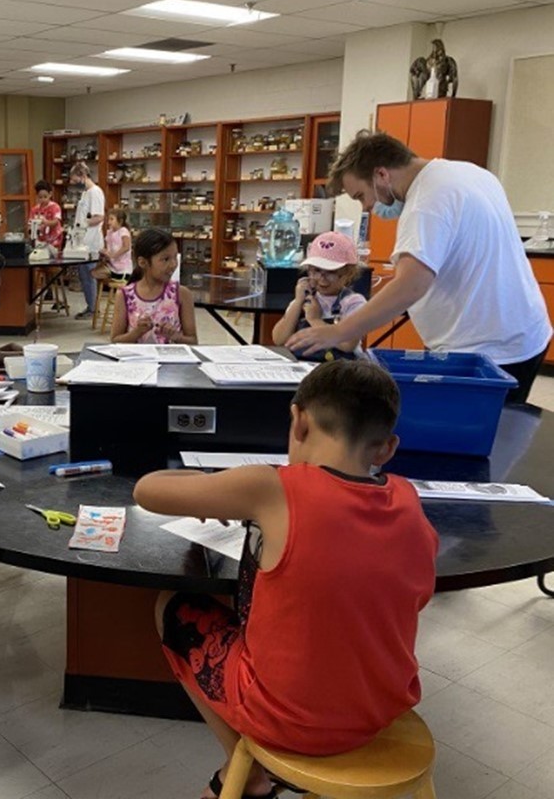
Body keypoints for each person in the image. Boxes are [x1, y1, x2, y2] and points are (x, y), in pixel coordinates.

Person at [134, 360, 437, 798]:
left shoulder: (272, 487)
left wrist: (215, 485)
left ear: (298, 421)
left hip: (288, 722)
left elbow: (147, 489)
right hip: (380, 711)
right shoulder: (408, 499)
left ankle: (247, 771)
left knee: (172, 605)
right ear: (387, 448)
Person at [287, 130, 552, 403]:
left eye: (360, 196)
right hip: (523, 331)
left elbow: (411, 285)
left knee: (472, 434)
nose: (366, 207)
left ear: (381, 175)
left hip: (489, 348)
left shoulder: (426, 203)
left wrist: (339, 331)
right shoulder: (467, 173)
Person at [271, 232, 367, 361]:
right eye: (316, 271)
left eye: (331, 272)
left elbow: (348, 344)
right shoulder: (304, 299)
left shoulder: (353, 303)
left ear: (348, 274)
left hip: (341, 371)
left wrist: (315, 320)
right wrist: (298, 302)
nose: (322, 279)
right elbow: (279, 339)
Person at [110, 228, 197, 345]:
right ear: (143, 262)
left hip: (171, 361)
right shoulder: (125, 295)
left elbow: (193, 341)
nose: (173, 265)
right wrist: (137, 332)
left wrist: (176, 336)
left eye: (175, 257)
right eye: (165, 259)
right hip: (137, 362)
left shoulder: (181, 294)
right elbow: (115, 340)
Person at [69, 162, 106, 320]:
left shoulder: (95, 192)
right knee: (83, 275)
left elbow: (98, 217)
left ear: (83, 176)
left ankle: (93, 309)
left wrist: (83, 224)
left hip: (91, 242)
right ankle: (89, 306)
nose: (74, 184)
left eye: (75, 180)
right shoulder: (85, 193)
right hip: (82, 241)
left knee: (89, 275)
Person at [92, 208, 133, 283]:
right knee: (93, 273)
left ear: (120, 221)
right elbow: (109, 248)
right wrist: (105, 253)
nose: (108, 222)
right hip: (111, 265)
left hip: (122, 268)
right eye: (108, 219)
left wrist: (113, 255)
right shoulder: (110, 232)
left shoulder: (123, 231)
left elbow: (126, 247)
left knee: (95, 273)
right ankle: (96, 293)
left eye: (112, 219)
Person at [28, 180, 64, 254]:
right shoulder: (35, 209)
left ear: (50, 194)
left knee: (52, 260)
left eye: (45, 197)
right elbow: (30, 223)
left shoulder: (55, 207)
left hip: (54, 240)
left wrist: (46, 222)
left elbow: (56, 222)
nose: (43, 199)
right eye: (40, 197)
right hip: (40, 240)